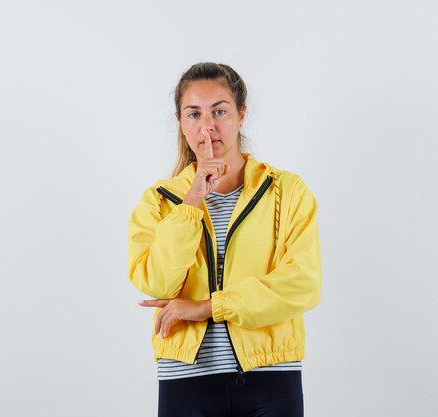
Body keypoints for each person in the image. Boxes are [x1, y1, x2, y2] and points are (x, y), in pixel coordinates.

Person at [127, 62, 322, 417]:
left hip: (271, 375)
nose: (208, 126)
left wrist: (209, 307)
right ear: (180, 121)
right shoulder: (159, 200)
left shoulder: (287, 191)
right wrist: (191, 202)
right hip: (185, 378)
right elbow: (158, 283)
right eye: (194, 114)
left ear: (241, 114)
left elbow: (303, 283)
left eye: (220, 111)